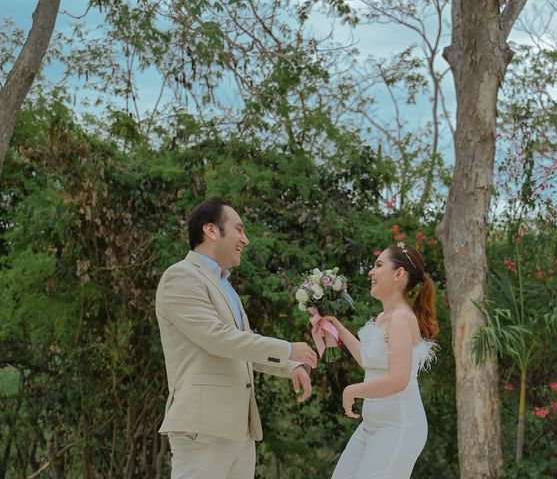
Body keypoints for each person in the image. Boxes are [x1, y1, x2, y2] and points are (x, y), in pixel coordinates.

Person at [155, 197, 318, 479]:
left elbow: (242, 345)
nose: (246, 239)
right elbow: (218, 339)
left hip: (239, 430)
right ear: (211, 230)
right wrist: (288, 349)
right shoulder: (180, 277)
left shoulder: (224, 284)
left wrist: (290, 366)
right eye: (239, 230)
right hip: (203, 429)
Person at [323, 242, 438, 479]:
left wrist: (352, 390)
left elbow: (398, 379)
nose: (370, 272)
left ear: (398, 274)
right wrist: (336, 326)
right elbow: (369, 360)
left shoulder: (401, 319)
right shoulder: (384, 317)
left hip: (398, 427)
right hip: (370, 427)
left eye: (378, 265)